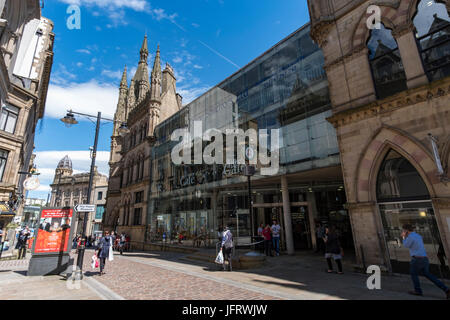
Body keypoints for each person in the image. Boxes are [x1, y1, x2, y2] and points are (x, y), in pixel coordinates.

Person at [401, 224, 450, 299]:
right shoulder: (418, 236)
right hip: (424, 259)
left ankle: (418, 290)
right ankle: (446, 289)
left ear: (406, 230)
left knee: (414, 274)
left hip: (417, 259)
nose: (403, 231)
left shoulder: (410, 237)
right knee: (428, 275)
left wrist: (404, 237)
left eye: (403, 230)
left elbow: (406, 245)